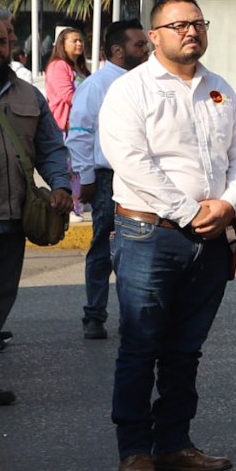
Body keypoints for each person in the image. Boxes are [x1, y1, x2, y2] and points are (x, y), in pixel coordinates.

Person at [97, 0, 236, 471]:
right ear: (154, 37)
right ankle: (135, 449)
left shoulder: (219, 89)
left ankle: (175, 442)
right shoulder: (130, 90)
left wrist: (229, 204)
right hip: (150, 232)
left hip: (210, 234)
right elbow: (131, 161)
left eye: (197, 23)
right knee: (141, 344)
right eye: (178, 24)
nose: (191, 31)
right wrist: (188, 212)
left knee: (186, 349)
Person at [0, 8, 72, 408]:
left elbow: (49, 146)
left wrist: (61, 185)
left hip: (11, 223)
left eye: (3, 41)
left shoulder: (28, 94)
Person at [69, 18, 148, 341]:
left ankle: (136, 316)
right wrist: (85, 178)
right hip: (106, 178)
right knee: (104, 246)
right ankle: (94, 315)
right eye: (139, 45)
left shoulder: (145, 81)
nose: (146, 50)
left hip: (141, 176)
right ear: (117, 50)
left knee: (139, 249)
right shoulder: (99, 84)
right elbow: (79, 133)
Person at [43, 26, 87, 129]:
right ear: (63, 45)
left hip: (81, 123)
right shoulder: (58, 65)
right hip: (64, 126)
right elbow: (68, 96)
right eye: (74, 41)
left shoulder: (81, 68)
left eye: (81, 40)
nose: (79, 44)